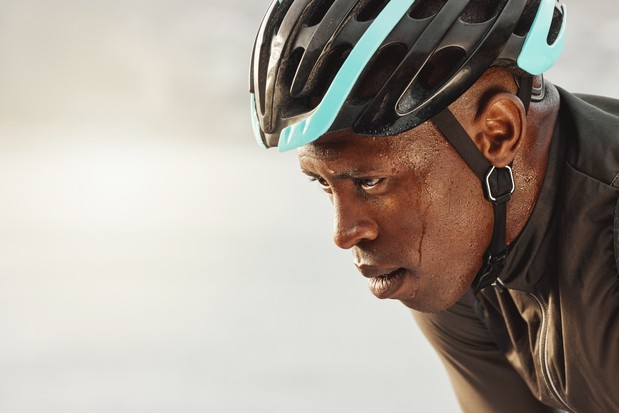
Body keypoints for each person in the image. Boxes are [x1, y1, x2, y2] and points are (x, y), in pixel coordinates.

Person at [249, 0, 619, 411]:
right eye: (323, 184)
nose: (344, 233)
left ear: (498, 132)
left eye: (370, 181)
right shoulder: (458, 257)